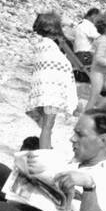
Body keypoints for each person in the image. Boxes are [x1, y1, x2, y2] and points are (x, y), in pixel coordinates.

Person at [26, 13, 79, 149]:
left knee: (47, 124)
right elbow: (60, 67)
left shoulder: (43, 46)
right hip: (51, 93)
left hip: (44, 91)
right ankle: (45, 151)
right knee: (48, 125)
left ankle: (47, 147)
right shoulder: (50, 48)